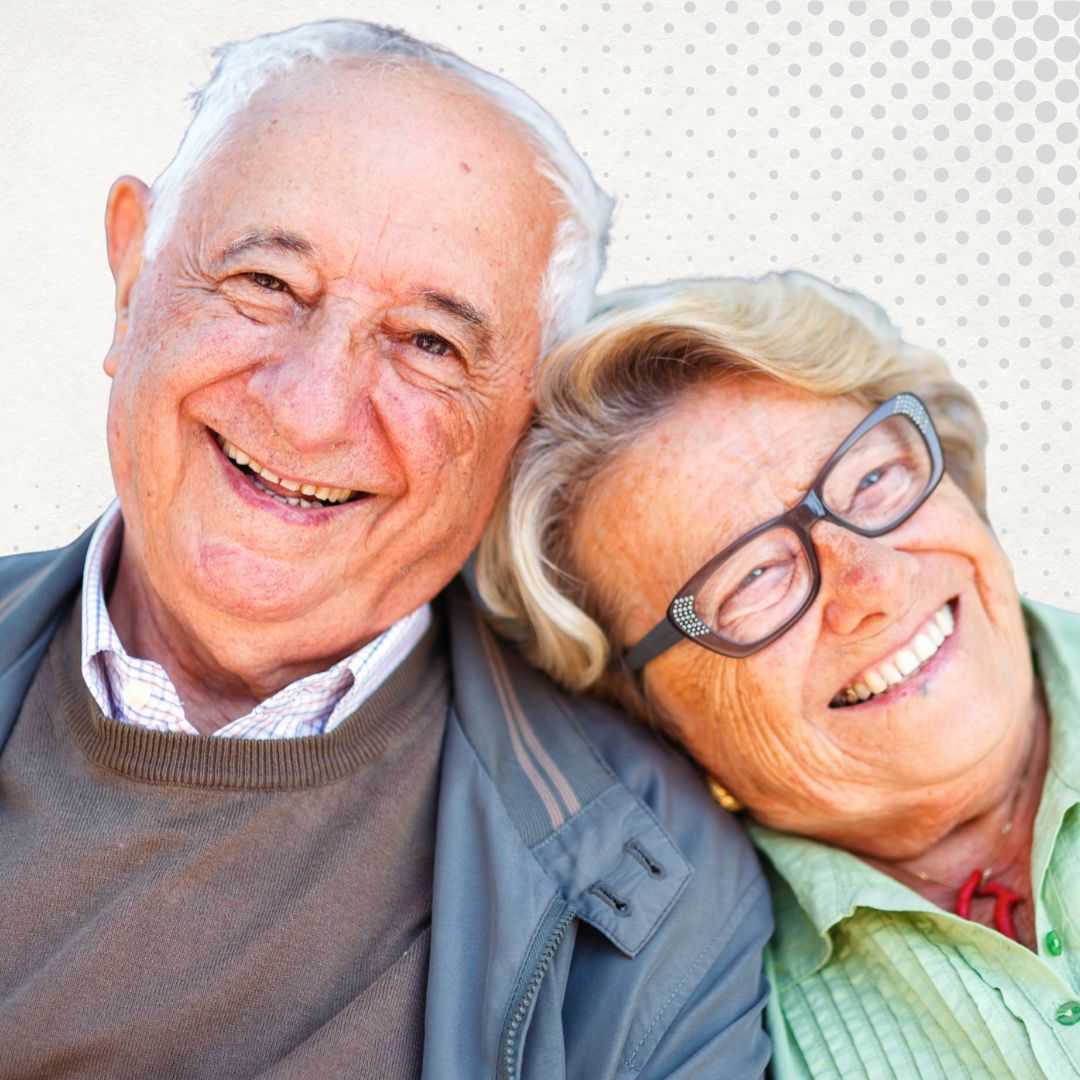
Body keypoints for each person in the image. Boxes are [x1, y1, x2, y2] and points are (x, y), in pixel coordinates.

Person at [0, 21, 772, 1079]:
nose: (311, 409)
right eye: (265, 281)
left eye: (429, 343)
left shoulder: (657, 904)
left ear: (525, 423)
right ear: (132, 273)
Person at [478, 270, 1080, 1078]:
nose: (871, 582)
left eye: (871, 479)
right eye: (752, 578)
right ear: (648, 707)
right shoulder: (688, 1021)